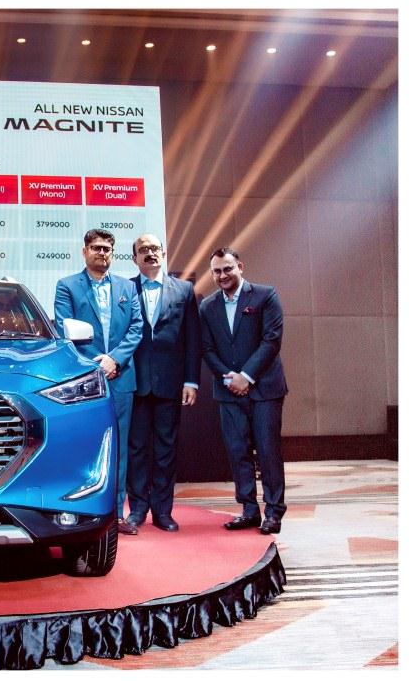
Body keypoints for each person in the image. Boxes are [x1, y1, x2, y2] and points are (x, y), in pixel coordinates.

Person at [54, 228, 143, 535]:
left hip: (121, 376)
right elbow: (65, 328)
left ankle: (116, 515)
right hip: (84, 381)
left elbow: (136, 328)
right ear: (85, 252)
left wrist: (114, 359)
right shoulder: (67, 286)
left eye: (107, 249)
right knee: (85, 445)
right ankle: (85, 513)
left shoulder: (127, 287)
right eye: (96, 248)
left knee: (119, 447)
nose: (102, 253)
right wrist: (97, 363)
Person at [200, 247, 288, 534]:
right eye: (216, 271)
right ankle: (249, 510)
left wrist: (246, 377)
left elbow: (271, 341)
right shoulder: (207, 307)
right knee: (237, 452)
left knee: (268, 451)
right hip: (228, 391)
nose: (222, 275)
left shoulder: (265, 295)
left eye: (227, 268)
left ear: (240, 267)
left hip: (265, 389)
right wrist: (230, 379)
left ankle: (273, 512)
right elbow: (207, 349)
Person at [125, 234, 200, 533]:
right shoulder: (125, 289)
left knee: (166, 449)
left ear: (163, 253)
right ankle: (137, 509)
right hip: (135, 382)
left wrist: (191, 381)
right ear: (135, 258)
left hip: (171, 382)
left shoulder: (184, 290)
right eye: (143, 250)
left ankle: (163, 511)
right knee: (136, 449)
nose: (150, 253)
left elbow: (193, 338)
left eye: (154, 248)